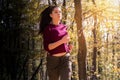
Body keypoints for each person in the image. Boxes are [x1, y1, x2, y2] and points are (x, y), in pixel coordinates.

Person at [39, 5, 73, 80]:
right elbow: (48, 47)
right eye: (56, 12)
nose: (59, 14)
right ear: (51, 15)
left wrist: (69, 48)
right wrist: (62, 41)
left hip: (65, 58)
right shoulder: (48, 29)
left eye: (60, 12)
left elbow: (65, 42)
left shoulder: (64, 27)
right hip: (53, 60)